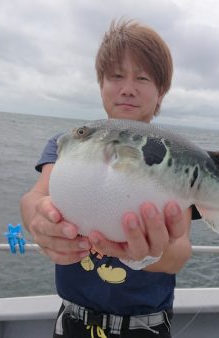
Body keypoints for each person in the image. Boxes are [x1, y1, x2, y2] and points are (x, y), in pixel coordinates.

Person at [20, 19, 196, 338]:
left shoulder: (174, 155)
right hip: (72, 319)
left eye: (142, 78)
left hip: (146, 325)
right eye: (116, 76)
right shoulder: (69, 142)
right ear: (101, 83)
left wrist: (151, 253)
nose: (127, 88)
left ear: (161, 93)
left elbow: (180, 250)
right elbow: (34, 197)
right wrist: (39, 221)